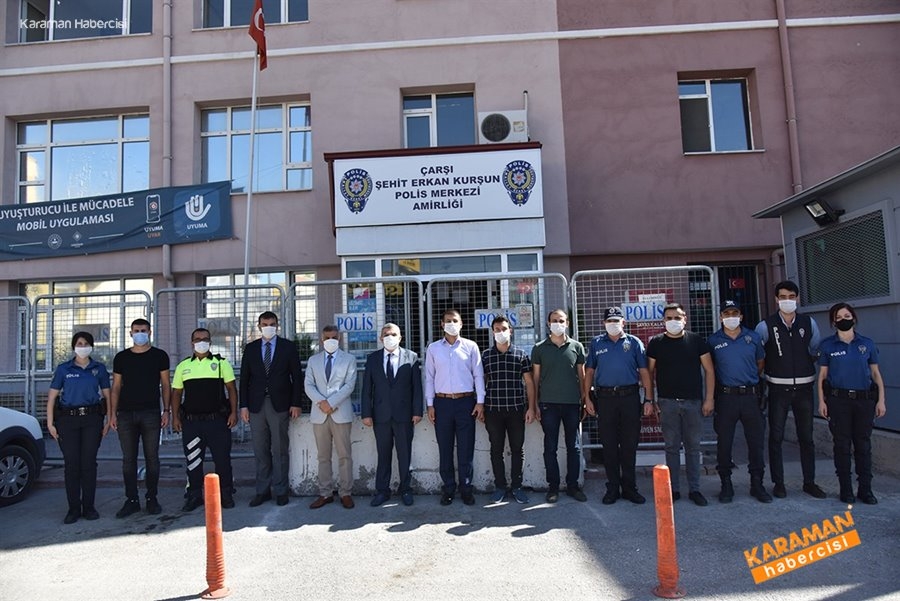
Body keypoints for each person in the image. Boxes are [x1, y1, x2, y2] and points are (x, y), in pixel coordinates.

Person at [755, 280, 826, 499]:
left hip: (804, 388)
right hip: (778, 389)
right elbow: (759, 354)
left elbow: (815, 349)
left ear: (797, 298)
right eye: (783, 297)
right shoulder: (765, 326)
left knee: (806, 438)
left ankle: (809, 482)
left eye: (791, 296)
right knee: (775, 437)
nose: (788, 300)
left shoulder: (808, 323)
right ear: (776, 299)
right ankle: (779, 483)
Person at [817, 303, 886, 504]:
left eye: (847, 316)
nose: (843, 319)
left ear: (854, 318)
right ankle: (845, 489)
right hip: (839, 402)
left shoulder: (867, 344)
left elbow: (876, 373)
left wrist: (881, 400)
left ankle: (866, 490)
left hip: (864, 401)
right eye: (838, 317)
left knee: (863, 445)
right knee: (842, 446)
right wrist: (821, 401)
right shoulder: (827, 345)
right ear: (833, 322)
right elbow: (822, 376)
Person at [646, 302, 715, 506]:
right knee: (671, 447)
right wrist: (651, 399)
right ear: (663, 321)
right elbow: (649, 372)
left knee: (693, 447)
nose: (673, 321)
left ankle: (695, 489)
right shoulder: (656, 343)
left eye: (677, 317)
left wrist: (709, 398)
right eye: (669, 318)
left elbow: (709, 370)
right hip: (667, 403)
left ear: (685, 319)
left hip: (693, 403)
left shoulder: (696, 341)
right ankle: (673, 489)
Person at [583, 307, 653, 505]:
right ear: (604, 323)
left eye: (616, 320)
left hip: (629, 397)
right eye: (609, 321)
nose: (612, 324)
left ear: (623, 322)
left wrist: (649, 399)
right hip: (605, 399)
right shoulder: (597, 343)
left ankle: (630, 488)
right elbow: (589, 371)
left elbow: (644, 372)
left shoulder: (634, 342)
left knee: (629, 445)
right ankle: (612, 488)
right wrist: (587, 398)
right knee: (609, 445)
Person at [707, 300, 772, 504]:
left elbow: (760, 363)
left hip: (751, 396)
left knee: (756, 442)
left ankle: (757, 483)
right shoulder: (713, 340)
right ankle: (726, 484)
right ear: (721, 317)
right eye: (727, 314)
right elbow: (711, 369)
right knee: (724, 442)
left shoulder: (753, 337)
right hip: (726, 397)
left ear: (741, 316)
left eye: (735, 313)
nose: (731, 317)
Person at [46, 332, 111, 524]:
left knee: (89, 463)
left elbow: (107, 396)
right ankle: (73, 509)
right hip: (68, 421)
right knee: (72, 464)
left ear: (92, 346)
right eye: (79, 343)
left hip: (92, 419)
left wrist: (109, 419)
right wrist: (50, 423)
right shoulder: (63, 369)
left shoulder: (98, 369)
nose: (83, 346)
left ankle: (89, 507)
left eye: (86, 343)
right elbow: (52, 398)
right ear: (74, 346)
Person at [170, 328, 238, 511]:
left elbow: (231, 389)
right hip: (192, 423)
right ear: (192, 342)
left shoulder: (221, 363)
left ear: (210, 342)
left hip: (217, 422)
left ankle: (225, 494)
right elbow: (177, 393)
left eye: (205, 339)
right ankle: (194, 495)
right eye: (198, 339)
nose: (201, 342)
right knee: (193, 460)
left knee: (222, 460)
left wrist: (234, 412)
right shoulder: (183, 366)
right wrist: (175, 417)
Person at [109, 318, 171, 518]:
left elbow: (166, 385)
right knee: (128, 459)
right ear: (130, 333)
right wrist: (112, 413)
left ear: (150, 332)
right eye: (136, 331)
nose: (140, 334)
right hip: (126, 414)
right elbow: (116, 387)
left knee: (152, 458)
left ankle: (152, 498)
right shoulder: (121, 357)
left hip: (151, 413)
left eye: (143, 330)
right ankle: (132, 500)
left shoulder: (159, 356)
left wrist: (166, 410)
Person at [239, 311, 303, 507]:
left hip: (280, 405)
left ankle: (281, 490)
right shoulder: (250, 348)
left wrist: (296, 403)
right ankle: (262, 490)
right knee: (260, 450)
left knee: (280, 449)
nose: (269, 327)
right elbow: (244, 379)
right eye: (265, 324)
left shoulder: (288, 347)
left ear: (277, 325)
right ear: (259, 326)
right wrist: (243, 406)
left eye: (272, 324)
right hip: (256, 405)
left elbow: (296, 377)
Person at [425, 309, 485, 506]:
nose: (451, 323)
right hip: (442, 403)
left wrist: (480, 401)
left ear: (461, 324)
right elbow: (429, 377)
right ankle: (448, 489)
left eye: (455, 320)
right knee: (445, 448)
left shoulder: (471, 346)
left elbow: (478, 375)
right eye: (448, 321)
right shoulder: (433, 348)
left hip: (465, 402)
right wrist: (430, 404)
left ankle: (466, 488)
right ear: (442, 325)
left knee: (466, 448)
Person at [361, 323, 423, 507]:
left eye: (394, 334)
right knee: (383, 455)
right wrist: (366, 413)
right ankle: (382, 491)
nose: (390, 337)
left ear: (400, 337)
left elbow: (417, 388)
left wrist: (417, 411)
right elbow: (367, 389)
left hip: (404, 415)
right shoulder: (373, 359)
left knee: (405, 456)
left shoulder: (411, 357)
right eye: (386, 334)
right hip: (381, 416)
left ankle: (406, 490)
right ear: (381, 338)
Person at [531, 309, 588, 504]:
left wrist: (585, 400)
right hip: (548, 405)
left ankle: (573, 486)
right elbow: (535, 378)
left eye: (561, 320)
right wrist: (534, 404)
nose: (558, 323)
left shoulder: (577, 347)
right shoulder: (539, 348)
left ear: (567, 323)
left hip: (572, 404)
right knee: (550, 447)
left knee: (574, 447)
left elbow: (582, 376)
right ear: (548, 323)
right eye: (554, 320)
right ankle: (553, 487)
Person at [482, 315, 536, 504]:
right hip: (493, 411)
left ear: (510, 331)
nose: (501, 332)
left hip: (516, 410)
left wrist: (531, 407)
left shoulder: (521, 354)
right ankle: (500, 487)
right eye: (497, 329)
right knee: (496, 450)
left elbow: (529, 383)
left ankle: (517, 487)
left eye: (504, 329)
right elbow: (482, 382)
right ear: (492, 332)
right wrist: (480, 406)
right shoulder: (486, 356)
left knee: (517, 449)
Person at [305, 325, 357, 509]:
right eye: (327, 338)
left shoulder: (349, 359)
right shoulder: (313, 360)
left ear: (339, 338)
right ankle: (325, 493)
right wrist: (322, 402)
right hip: (320, 414)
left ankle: (346, 493)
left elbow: (349, 385)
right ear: (321, 339)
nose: (330, 341)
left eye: (334, 337)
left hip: (340, 413)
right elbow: (308, 385)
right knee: (323, 456)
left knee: (345, 455)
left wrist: (331, 403)